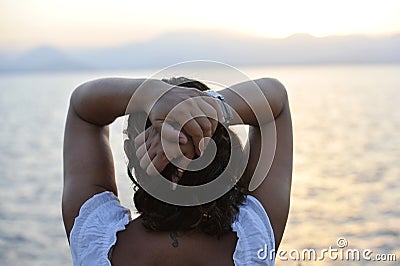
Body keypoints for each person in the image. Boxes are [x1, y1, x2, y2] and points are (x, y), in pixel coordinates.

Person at [62, 75, 293, 265]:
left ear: (130, 151)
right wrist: (212, 108)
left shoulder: (93, 240)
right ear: (223, 154)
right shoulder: (253, 239)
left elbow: (83, 111)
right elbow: (276, 101)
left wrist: (150, 94)